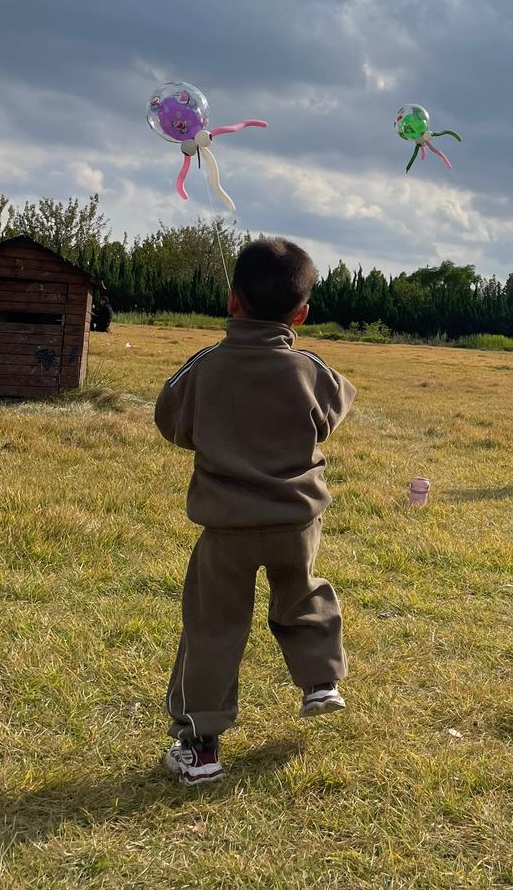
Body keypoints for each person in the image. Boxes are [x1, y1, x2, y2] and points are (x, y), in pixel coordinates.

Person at [154, 237, 356, 785]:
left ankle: (199, 749)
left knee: (213, 627)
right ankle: (320, 681)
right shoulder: (310, 368)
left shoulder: (204, 367)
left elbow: (171, 422)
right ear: (302, 314)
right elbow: (335, 410)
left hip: (226, 529)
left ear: (231, 301)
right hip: (296, 522)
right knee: (303, 594)